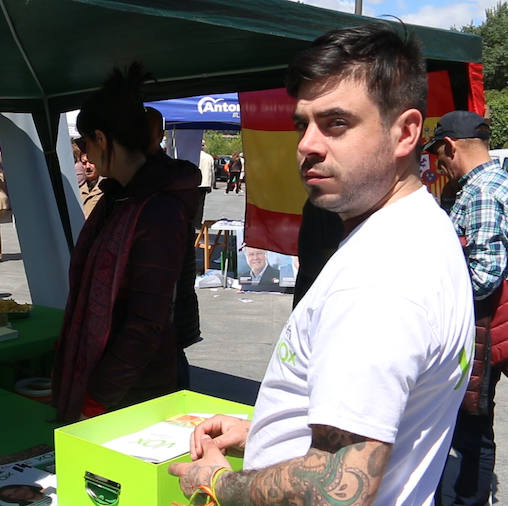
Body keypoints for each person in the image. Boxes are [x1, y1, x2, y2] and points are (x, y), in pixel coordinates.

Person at [170, 23, 475, 505]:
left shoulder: (378, 280)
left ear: (406, 132)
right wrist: (268, 431)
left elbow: (335, 488)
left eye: (336, 123)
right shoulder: (421, 226)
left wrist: (214, 482)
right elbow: (377, 426)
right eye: (302, 123)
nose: (308, 144)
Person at [51, 63, 200, 421]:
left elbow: (145, 321)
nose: (84, 154)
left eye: (85, 143)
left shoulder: (158, 208)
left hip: (135, 395)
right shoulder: (119, 198)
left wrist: (97, 398)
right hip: (114, 384)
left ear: (102, 139)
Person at [424, 110, 508, 504]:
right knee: (472, 425)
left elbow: (485, 274)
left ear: (450, 147)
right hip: (483, 328)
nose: (438, 164)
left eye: (438, 154)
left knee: (471, 428)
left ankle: (466, 500)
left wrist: (433, 290)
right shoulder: (491, 185)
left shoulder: (481, 192)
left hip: (479, 329)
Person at [144, 105, 202, 388]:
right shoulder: (172, 180)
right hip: (169, 308)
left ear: (158, 135)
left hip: (168, 309)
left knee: (171, 367)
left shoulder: (161, 184)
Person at [78, 151, 103, 218]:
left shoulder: (107, 189)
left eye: (91, 162)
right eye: (84, 163)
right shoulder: (78, 191)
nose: (87, 166)